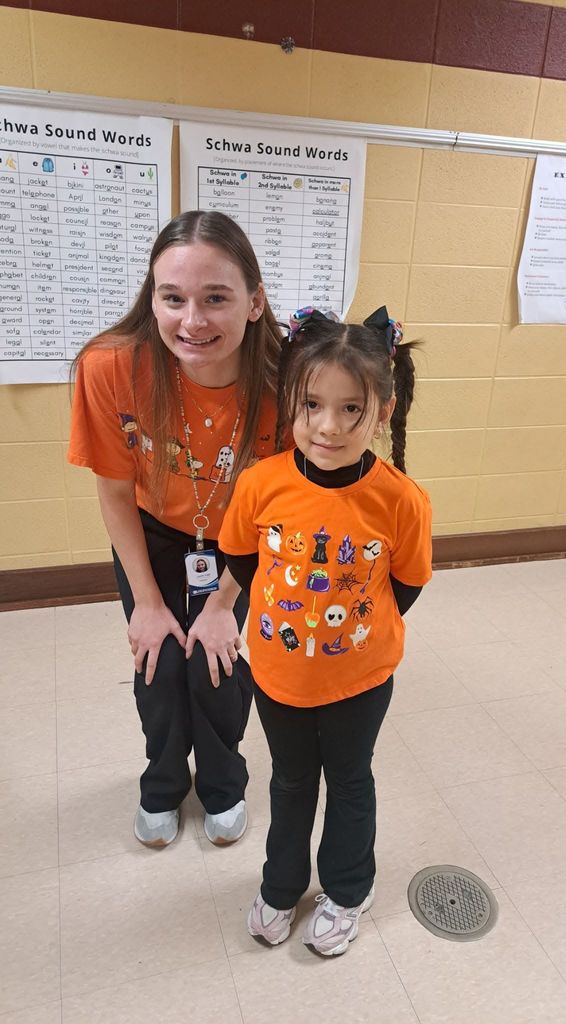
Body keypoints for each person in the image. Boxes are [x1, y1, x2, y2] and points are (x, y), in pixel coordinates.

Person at [219, 306, 432, 955]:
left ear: (383, 407)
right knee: (287, 782)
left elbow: (406, 582)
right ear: (290, 399)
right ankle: (281, 885)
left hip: (359, 679)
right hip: (277, 675)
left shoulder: (400, 499)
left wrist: (350, 635)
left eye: (350, 409)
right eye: (311, 404)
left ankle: (345, 887)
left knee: (347, 779)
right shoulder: (261, 483)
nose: (327, 426)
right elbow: (240, 558)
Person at [68, 211, 283, 849]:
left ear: (254, 302)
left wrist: (223, 604)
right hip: (154, 534)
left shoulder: (284, 381)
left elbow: (279, 509)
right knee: (158, 660)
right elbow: (112, 490)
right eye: (173, 298)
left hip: (243, 542)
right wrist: (148, 604)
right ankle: (161, 784)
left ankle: (223, 783)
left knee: (214, 662)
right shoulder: (111, 367)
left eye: (216, 297)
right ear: (153, 298)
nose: (192, 322)